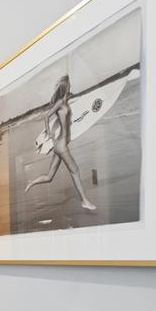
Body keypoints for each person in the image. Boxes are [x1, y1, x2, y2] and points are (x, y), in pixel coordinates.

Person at [25, 75, 97, 211]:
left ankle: (31, 182)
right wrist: (48, 132)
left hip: (60, 144)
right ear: (66, 87)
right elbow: (46, 116)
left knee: (49, 176)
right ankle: (84, 201)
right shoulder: (60, 103)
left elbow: (72, 103)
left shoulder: (65, 101)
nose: (71, 86)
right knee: (75, 171)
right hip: (61, 145)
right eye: (69, 85)